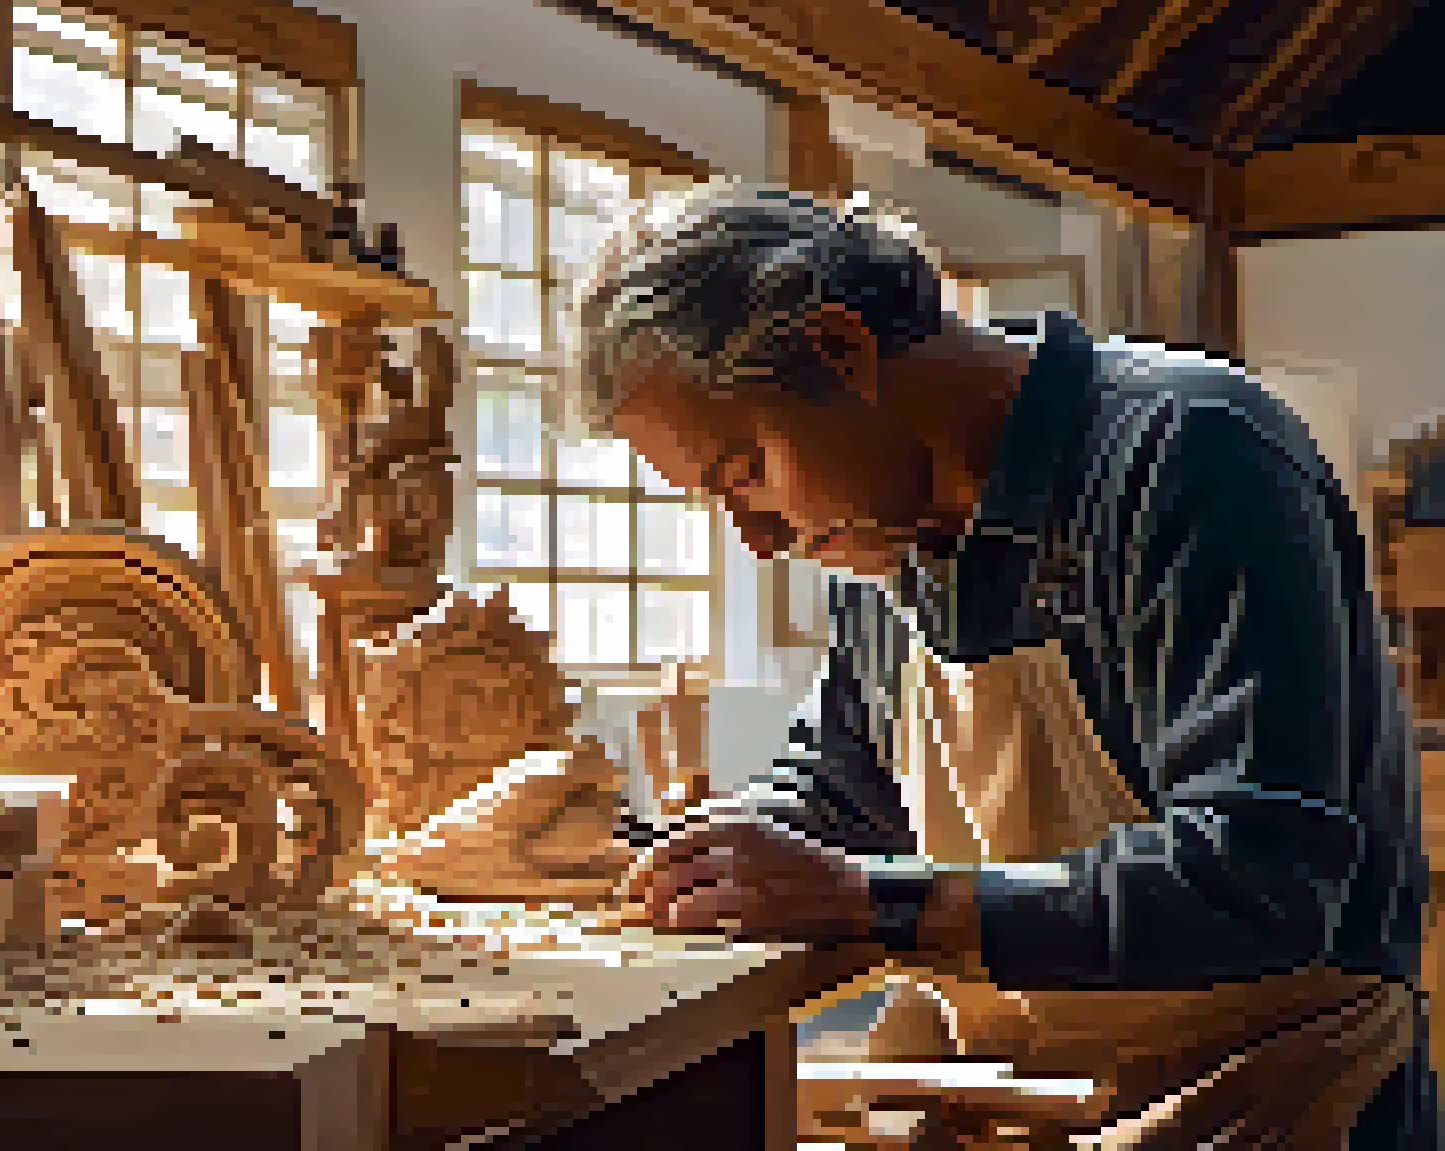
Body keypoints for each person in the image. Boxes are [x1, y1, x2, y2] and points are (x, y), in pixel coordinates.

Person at [579, 184, 1434, 1148]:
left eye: (745, 471)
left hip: (1268, 1094)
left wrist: (878, 901)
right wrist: (668, 855)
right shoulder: (881, 537)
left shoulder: (1189, 451)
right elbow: (836, 796)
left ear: (840, 351)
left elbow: (1261, 879)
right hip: (1019, 1089)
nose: (757, 538)